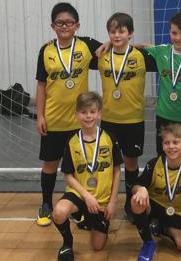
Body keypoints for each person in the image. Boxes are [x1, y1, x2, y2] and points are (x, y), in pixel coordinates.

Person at [35, 2, 102, 227]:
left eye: (69, 22)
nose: (64, 26)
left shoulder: (86, 46)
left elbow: (113, 46)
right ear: (52, 26)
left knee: (79, 166)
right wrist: (40, 115)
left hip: (80, 122)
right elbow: (41, 85)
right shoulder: (46, 51)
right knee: (50, 164)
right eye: (60, 23)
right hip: (53, 119)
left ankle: (78, 206)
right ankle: (46, 203)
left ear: (77, 25)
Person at [91, 12, 157, 221]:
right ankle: (102, 202)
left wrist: (140, 45)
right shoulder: (101, 55)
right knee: (109, 164)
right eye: (112, 32)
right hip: (109, 120)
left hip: (133, 120)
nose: (116, 35)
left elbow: (166, 50)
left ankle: (130, 203)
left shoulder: (142, 56)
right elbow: (76, 44)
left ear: (130, 33)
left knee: (130, 162)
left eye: (121, 31)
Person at [51, 91, 123, 261]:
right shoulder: (72, 142)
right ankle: (67, 242)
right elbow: (68, 176)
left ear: (99, 114)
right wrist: (87, 196)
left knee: (97, 247)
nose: (88, 116)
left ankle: (87, 219)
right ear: (77, 115)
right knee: (59, 212)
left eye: (92, 112)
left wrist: (113, 202)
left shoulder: (109, 138)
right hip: (80, 194)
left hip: (102, 200)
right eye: (83, 112)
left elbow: (117, 170)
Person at [131, 124, 181, 261]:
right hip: (154, 207)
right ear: (162, 146)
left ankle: (165, 229)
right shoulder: (154, 164)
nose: (171, 146)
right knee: (136, 201)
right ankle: (148, 242)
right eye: (167, 143)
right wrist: (141, 189)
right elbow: (134, 186)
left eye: (175, 142)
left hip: (175, 210)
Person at [141, 12, 181, 154]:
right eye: (174, 33)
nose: (178, 38)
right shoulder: (161, 50)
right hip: (163, 116)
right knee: (162, 157)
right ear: (169, 32)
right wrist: (109, 43)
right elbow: (141, 46)